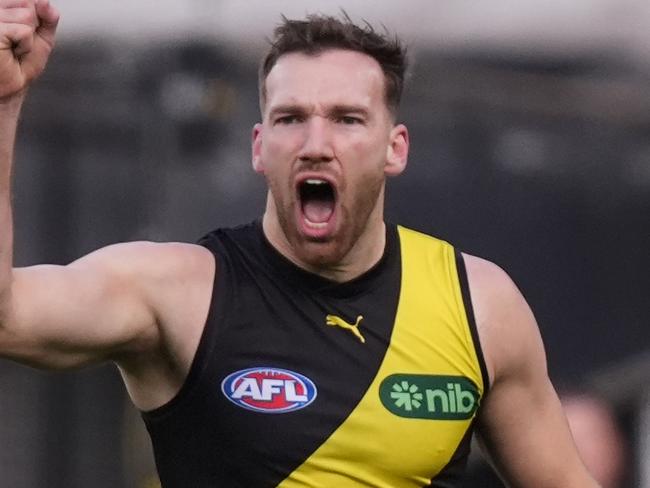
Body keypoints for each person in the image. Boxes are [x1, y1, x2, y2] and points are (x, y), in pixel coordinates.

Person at [0, 1, 600, 487]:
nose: (316, 143)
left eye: (347, 118)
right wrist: (4, 101)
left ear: (396, 148)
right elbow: (9, 317)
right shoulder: (179, 292)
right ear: (259, 147)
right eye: (291, 119)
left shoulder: (481, 305)